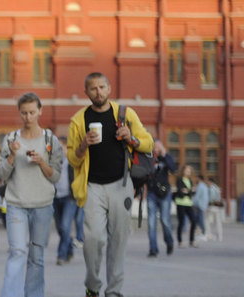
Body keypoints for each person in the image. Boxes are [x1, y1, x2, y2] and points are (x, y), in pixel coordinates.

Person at [67, 72, 153, 297]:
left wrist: (130, 138)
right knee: (93, 239)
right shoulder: (79, 120)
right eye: (93, 89)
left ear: (109, 88)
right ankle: (93, 285)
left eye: (102, 87)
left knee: (118, 240)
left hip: (121, 184)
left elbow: (148, 143)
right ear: (86, 92)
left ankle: (114, 291)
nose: (98, 92)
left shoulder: (124, 114)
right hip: (92, 187)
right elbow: (72, 159)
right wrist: (84, 144)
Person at [0, 92, 63, 297]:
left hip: (43, 205)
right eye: (24, 113)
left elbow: (55, 177)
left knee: (37, 256)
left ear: (40, 111)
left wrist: (42, 161)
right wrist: (12, 156)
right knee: (17, 252)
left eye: (32, 112)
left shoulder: (51, 140)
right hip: (16, 204)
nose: (28, 117)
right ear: (20, 113)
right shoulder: (11, 139)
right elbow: (1, 173)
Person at [146, 139, 177, 257]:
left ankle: (169, 242)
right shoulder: (149, 158)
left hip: (165, 194)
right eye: (155, 147)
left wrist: (164, 154)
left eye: (158, 147)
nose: (156, 149)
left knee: (165, 220)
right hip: (151, 194)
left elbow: (173, 169)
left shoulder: (166, 157)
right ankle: (153, 249)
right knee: (151, 223)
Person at [53, 147, 77, 265]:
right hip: (55, 198)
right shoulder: (53, 162)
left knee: (65, 226)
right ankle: (70, 247)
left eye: (61, 148)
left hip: (69, 198)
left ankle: (61, 255)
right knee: (60, 228)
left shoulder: (72, 162)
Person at [173, 165, 197, 248]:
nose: (188, 172)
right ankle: (180, 241)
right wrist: (189, 191)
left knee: (194, 221)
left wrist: (188, 191)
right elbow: (180, 191)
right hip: (180, 203)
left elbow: (192, 192)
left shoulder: (190, 180)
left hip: (189, 203)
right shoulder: (179, 180)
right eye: (187, 170)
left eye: (189, 171)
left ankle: (192, 240)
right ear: (183, 171)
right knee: (181, 222)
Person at [192, 174, 209, 240]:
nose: (196, 180)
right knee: (198, 219)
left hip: (200, 205)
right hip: (203, 205)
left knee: (200, 219)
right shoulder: (204, 186)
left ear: (199, 179)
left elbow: (197, 197)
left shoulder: (200, 186)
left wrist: (193, 203)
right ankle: (199, 232)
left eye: (197, 178)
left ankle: (203, 233)